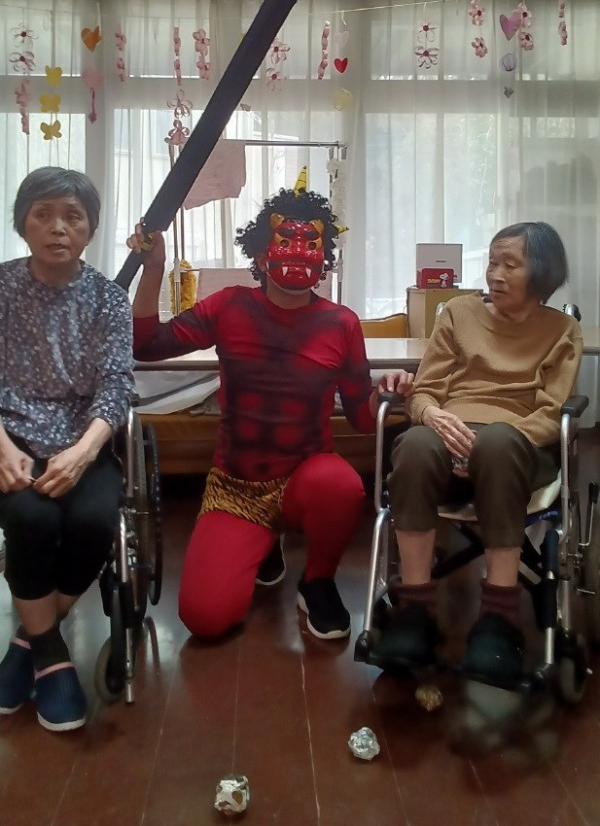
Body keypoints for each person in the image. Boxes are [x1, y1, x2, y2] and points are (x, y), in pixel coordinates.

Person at [129, 182, 413, 642]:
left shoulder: (341, 323)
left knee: (341, 484)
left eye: (310, 244)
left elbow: (362, 419)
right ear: (261, 255)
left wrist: (386, 392)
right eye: (285, 242)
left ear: (325, 257)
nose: (298, 253)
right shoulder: (230, 305)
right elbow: (146, 345)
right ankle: (264, 544)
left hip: (306, 479)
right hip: (235, 487)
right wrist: (154, 268)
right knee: (204, 618)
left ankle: (317, 582)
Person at [383, 221, 582, 683]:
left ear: (542, 273)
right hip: (449, 436)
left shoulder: (562, 330)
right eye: (492, 262)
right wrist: (431, 415)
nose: (495, 273)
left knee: (496, 443)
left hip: (518, 449)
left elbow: (551, 414)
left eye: (510, 264)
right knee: (413, 444)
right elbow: (425, 391)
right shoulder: (458, 313)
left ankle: (498, 619)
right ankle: (414, 610)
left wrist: (488, 442)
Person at [0, 168, 134, 731]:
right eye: (44, 214)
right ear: (22, 223)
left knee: (94, 522)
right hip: (11, 438)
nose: (58, 228)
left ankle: (28, 642)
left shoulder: (108, 298)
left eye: (73, 217)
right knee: (30, 519)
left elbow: (117, 385)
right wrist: (2, 447)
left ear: (90, 229)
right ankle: (52, 656)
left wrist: (83, 452)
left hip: (86, 439)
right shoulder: (2, 288)